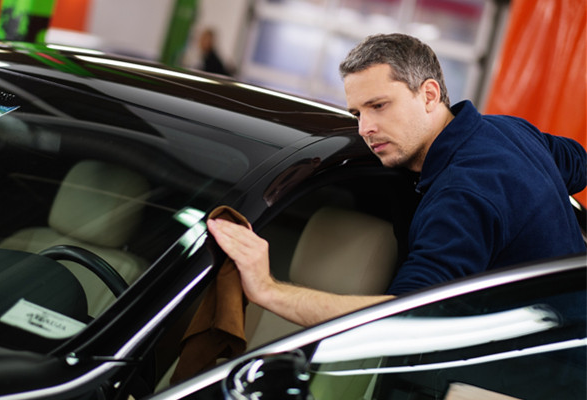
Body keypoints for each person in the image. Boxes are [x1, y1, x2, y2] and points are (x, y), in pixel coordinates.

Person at [207, 33, 586, 327]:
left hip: (532, 375)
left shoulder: (462, 197)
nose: (365, 128)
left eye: (379, 106)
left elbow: (400, 321)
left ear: (429, 95)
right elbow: (579, 163)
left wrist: (268, 291)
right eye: (357, 113)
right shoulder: (510, 131)